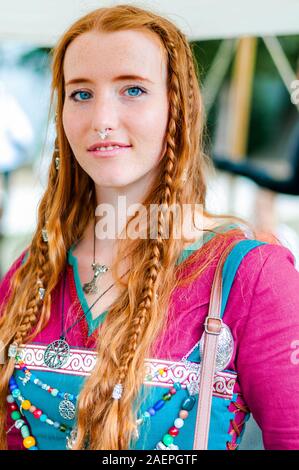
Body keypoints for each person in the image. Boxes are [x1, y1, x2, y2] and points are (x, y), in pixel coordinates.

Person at [0, 4, 299, 451]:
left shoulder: (252, 276)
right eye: (81, 93)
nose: (101, 118)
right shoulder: (31, 272)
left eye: (133, 90)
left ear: (176, 108)